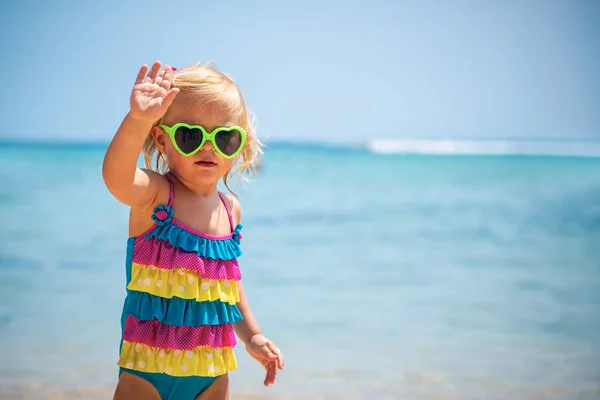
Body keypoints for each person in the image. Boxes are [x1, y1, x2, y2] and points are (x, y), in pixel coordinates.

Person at [102, 60, 284, 400]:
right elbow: (116, 178)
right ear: (162, 139)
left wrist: (252, 335)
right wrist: (137, 120)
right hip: (147, 371)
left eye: (225, 137)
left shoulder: (231, 211)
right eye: (190, 135)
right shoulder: (156, 194)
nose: (208, 147)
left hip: (212, 372)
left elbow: (228, 287)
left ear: (239, 145)